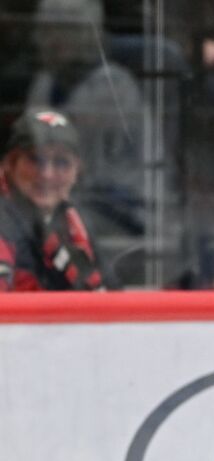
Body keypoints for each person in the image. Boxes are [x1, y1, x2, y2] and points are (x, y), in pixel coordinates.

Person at [25, 0, 149, 239]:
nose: (44, 40)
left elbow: (76, 163)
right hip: (62, 201)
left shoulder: (114, 85)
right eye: (44, 30)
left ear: (83, 35)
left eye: (56, 31)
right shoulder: (44, 83)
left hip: (118, 209)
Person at [0, 109, 106, 291]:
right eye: (35, 159)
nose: (47, 174)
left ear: (76, 173)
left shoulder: (77, 225)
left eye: (61, 162)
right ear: (10, 165)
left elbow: (111, 295)